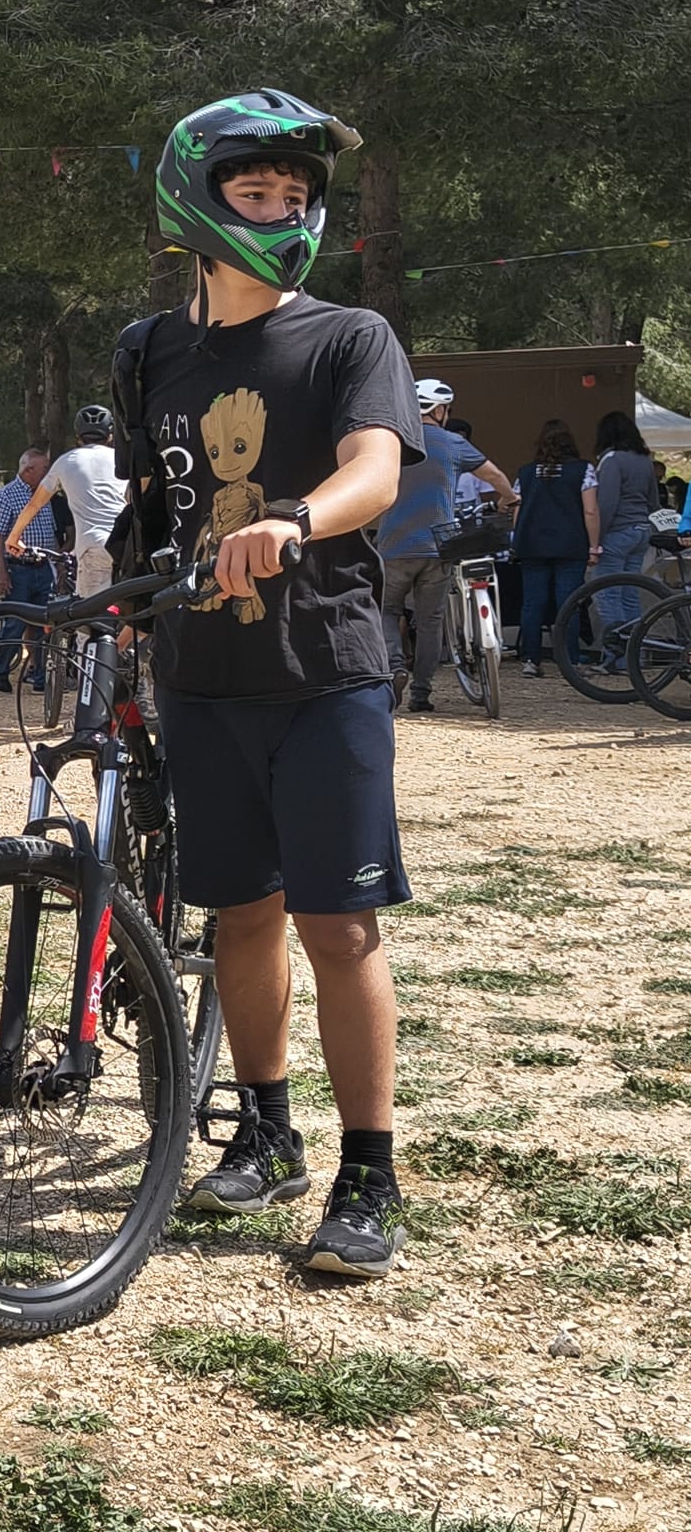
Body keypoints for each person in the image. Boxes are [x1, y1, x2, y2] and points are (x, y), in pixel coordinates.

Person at [123, 91, 424, 1279]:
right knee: (238, 917)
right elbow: (149, 512)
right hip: (198, 680)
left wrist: (294, 518)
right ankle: (265, 1131)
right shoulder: (147, 350)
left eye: (295, 196)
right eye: (255, 192)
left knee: (335, 926)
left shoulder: (349, 338)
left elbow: (375, 469)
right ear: (196, 202)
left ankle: (368, 1173)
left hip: (321, 673)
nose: (282, 213)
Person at [375, 379, 516, 711]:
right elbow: (495, 476)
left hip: (394, 545)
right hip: (439, 545)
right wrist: (509, 499)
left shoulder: (392, 442)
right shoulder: (454, 443)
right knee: (430, 621)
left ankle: (395, 665)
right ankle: (421, 693)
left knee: (388, 610)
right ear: (438, 411)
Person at [2, 406, 128, 606]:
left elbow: (35, 504)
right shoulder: (122, 460)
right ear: (111, 436)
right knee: (130, 610)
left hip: (94, 545)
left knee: (92, 613)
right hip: (127, 543)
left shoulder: (66, 461)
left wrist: (14, 537)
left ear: (78, 437)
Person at [510, 420, 597, 679]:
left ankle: (530, 659)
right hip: (570, 544)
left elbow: (517, 510)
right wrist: (594, 546)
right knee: (568, 603)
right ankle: (569, 660)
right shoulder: (583, 470)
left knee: (532, 603)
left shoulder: (526, 472)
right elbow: (590, 510)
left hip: (532, 545)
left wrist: (517, 540)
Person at [591, 410, 662, 667]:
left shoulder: (611, 460)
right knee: (630, 594)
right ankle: (634, 656)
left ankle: (616, 655)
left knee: (607, 594)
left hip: (616, 532)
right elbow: (653, 501)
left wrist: (595, 540)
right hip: (640, 531)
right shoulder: (644, 460)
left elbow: (606, 503)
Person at [0, 448, 56, 693]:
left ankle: (40, 677)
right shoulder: (7, 495)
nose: (48, 473)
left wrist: (57, 564)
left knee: (44, 624)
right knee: (15, 624)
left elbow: (50, 533)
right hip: (19, 570)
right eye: (44, 469)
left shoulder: (44, 495)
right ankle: (1, 669)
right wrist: (2, 572)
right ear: (28, 470)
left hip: (43, 567)